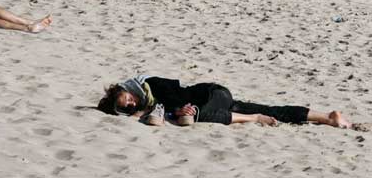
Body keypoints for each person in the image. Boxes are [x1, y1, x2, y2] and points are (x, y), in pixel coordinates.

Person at [97, 75, 352, 129]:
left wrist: (181, 108)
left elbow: (176, 93)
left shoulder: (151, 84)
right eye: (127, 105)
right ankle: (328, 117)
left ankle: (253, 120)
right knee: (275, 110)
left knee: (193, 117)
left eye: (128, 98)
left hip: (211, 94)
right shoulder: (148, 107)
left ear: (129, 89)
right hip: (212, 105)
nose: (132, 103)